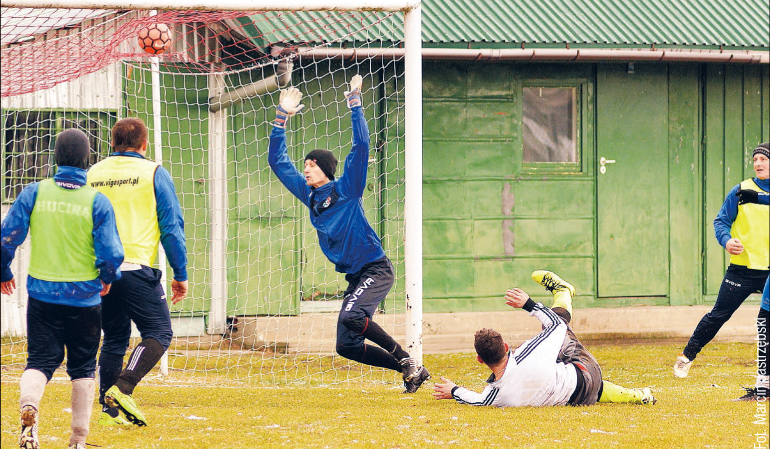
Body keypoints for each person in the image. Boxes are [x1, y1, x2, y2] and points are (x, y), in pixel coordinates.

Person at [267, 75, 430, 393]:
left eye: (312, 164)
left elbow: (362, 145)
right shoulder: (310, 195)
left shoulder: (347, 188)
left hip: (376, 269)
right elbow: (277, 161)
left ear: (326, 169)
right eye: (306, 164)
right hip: (356, 277)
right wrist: (281, 118)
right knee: (346, 346)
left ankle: (407, 360)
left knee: (354, 317)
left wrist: (354, 101)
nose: (306, 168)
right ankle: (411, 370)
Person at [1, 129, 123, 449]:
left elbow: (7, 237)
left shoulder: (34, 192)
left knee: (39, 363)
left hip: (42, 294)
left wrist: (3, 270)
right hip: (84, 298)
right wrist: (107, 277)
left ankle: (29, 413)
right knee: (83, 368)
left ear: (55, 157)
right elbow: (111, 253)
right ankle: (78, 441)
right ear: (87, 160)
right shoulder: (97, 201)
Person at [87, 117, 189, 426]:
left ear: (112, 143)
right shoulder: (153, 172)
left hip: (99, 270)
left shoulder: (93, 172)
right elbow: (172, 228)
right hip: (134, 266)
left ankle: (110, 413)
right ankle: (123, 388)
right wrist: (180, 272)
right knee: (159, 332)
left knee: (114, 338)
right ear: (144, 145)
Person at [433, 271, 656, 407]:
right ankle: (563, 291)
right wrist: (529, 304)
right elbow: (557, 325)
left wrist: (453, 390)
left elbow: (479, 400)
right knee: (553, 327)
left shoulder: (497, 394)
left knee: (555, 351)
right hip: (586, 370)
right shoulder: (529, 352)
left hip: (581, 397)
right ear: (507, 347)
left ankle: (638, 395)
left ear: (479, 359)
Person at [675, 143, 770, 378]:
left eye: (763, 159)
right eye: (755, 159)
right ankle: (687, 356)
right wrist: (726, 241)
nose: (758, 163)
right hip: (743, 269)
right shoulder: (740, 191)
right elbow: (721, 222)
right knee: (718, 315)